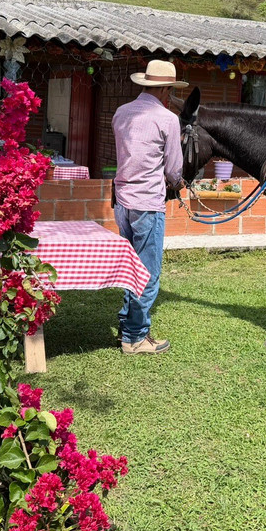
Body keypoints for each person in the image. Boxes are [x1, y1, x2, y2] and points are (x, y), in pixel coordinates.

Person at [111, 59, 188, 355]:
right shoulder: (167, 118)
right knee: (148, 272)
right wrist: (180, 183)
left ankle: (127, 325)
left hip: (123, 200)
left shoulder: (121, 113)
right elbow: (173, 169)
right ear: (166, 89)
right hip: (147, 203)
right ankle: (135, 336)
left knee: (131, 268)